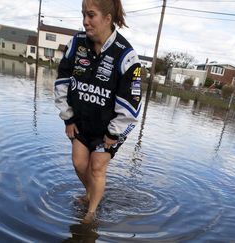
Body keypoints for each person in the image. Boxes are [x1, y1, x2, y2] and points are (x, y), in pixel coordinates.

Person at [54, 0, 142, 223]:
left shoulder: (127, 56)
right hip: (80, 120)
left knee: (96, 166)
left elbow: (131, 104)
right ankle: (92, 194)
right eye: (83, 14)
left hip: (109, 129)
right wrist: (68, 117)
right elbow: (62, 80)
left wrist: (114, 134)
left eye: (91, 15)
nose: (85, 21)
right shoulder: (76, 43)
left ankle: (91, 214)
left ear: (107, 18)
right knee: (78, 162)